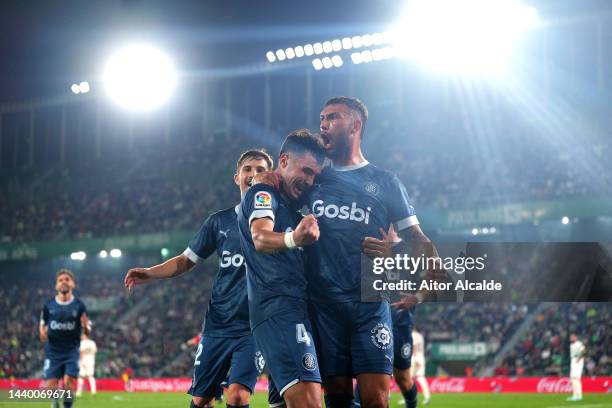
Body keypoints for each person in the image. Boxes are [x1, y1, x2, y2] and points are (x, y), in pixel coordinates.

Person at [308, 96, 444, 408]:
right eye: (321, 118)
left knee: (376, 400)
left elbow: (423, 248)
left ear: (355, 126)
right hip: (324, 306)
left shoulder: (385, 182)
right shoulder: (313, 178)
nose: (323, 125)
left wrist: (396, 252)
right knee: (338, 400)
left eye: (332, 117)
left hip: (369, 307)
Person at [124, 149, 273, 408]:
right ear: (236, 177)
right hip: (217, 326)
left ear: (269, 177)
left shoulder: (278, 221)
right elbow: (185, 261)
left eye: (261, 170)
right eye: (248, 169)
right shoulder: (219, 222)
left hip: (254, 327)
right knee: (201, 400)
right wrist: (150, 272)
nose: (253, 174)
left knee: (238, 396)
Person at [238, 129, 326, 408]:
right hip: (279, 310)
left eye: (315, 175)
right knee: (310, 403)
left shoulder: (290, 203)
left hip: (296, 309)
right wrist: (294, 239)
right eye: (306, 171)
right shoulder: (263, 192)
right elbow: (261, 238)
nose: (310, 181)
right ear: (284, 161)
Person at [40, 269, 91, 408]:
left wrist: (85, 326)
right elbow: (42, 328)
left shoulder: (80, 306)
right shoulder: (48, 306)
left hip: (71, 351)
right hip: (53, 351)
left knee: (69, 382)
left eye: (67, 279)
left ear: (73, 284)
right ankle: (55, 402)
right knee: (51, 387)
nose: (64, 282)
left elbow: (88, 330)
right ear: (56, 285)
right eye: (60, 280)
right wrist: (43, 333)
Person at [411, 329, 430, 405]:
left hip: (415, 357)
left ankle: (409, 398)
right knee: (418, 378)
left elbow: (414, 346)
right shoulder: (420, 336)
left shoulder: (413, 335)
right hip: (421, 356)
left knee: (412, 378)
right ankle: (427, 397)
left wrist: (415, 357)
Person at [568, 333, 586, 401]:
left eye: (572, 337)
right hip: (573, 360)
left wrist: (579, 358)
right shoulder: (571, 345)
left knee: (576, 378)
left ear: (576, 337)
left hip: (577, 361)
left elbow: (584, 351)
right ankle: (575, 395)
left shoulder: (579, 343)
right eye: (570, 337)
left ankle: (578, 395)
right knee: (573, 378)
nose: (571, 338)